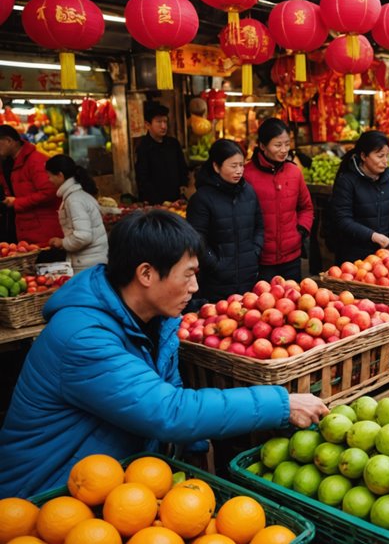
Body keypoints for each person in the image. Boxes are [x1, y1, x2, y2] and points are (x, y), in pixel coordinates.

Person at [0, 210, 329, 497]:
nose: (195, 287)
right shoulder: (82, 337)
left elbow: (171, 392)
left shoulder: (155, 322)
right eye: (187, 274)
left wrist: (196, 447)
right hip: (47, 495)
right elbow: (169, 411)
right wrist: (282, 403)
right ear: (145, 274)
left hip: (121, 483)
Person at [185, 139, 264, 303]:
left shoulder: (248, 192)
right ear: (216, 166)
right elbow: (196, 239)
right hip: (216, 283)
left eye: (241, 165)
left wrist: (254, 252)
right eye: (233, 166)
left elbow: (259, 226)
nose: (239, 171)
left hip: (248, 277)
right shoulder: (202, 199)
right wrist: (215, 264)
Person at [244, 118, 313, 280]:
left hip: (291, 257)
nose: (284, 150)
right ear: (262, 146)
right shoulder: (247, 175)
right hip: (261, 259)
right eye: (277, 145)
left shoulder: (294, 173)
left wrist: (301, 231)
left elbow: (306, 207)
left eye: (287, 144)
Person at [325, 131, 389, 263]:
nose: (385, 162)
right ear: (363, 156)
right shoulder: (347, 181)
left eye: (387, 156)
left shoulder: (388, 177)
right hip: (354, 256)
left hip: (384, 254)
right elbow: (342, 220)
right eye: (380, 156)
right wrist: (373, 236)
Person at [0, 125, 62, 246]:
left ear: (9, 141)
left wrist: (17, 202)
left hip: (45, 232)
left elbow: (49, 192)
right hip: (26, 230)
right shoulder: (8, 163)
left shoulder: (35, 161)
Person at [45, 155, 108, 272]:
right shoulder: (78, 195)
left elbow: (83, 236)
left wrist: (62, 242)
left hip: (88, 263)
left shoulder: (74, 200)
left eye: (50, 176)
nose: (49, 181)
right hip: (93, 260)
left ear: (60, 175)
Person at [134, 103, 189, 206]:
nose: (163, 126)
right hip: (155, 204)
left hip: (176, 201)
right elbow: (142, 179)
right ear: (147, 124)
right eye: (159, 122)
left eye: (165, 122)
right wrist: (158, 202)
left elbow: (182, 168)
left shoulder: (173, 143)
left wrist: (183, 188)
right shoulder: (143, 148)